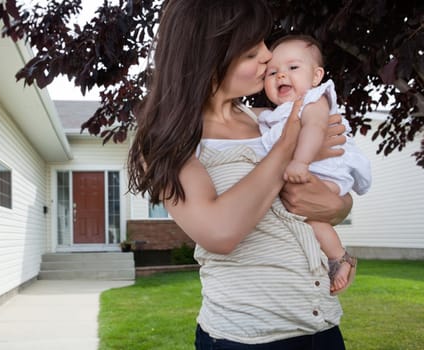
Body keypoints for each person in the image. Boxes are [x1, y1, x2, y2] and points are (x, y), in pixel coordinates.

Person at [128, 1, 352, 349]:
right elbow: (221, 231)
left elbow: (338, 184)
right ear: (208, 59)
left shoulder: (269, 118)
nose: (268, 57)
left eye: (264, 42)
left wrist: (338, 211)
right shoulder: (168, 141)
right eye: (251, 53)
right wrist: (290, 144)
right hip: (246, 336)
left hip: (319, 324)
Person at [260, 34, 372, 294]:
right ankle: (339, 258)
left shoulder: (313, 100)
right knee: (309, 218)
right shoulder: (272, 116)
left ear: (315, 76)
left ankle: (338, 257)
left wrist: (300, 161)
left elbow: (316, 128)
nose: (281, 75)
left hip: (328, 171)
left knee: (309, 213)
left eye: (293, 67)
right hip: (311, 174)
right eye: (272, 72)